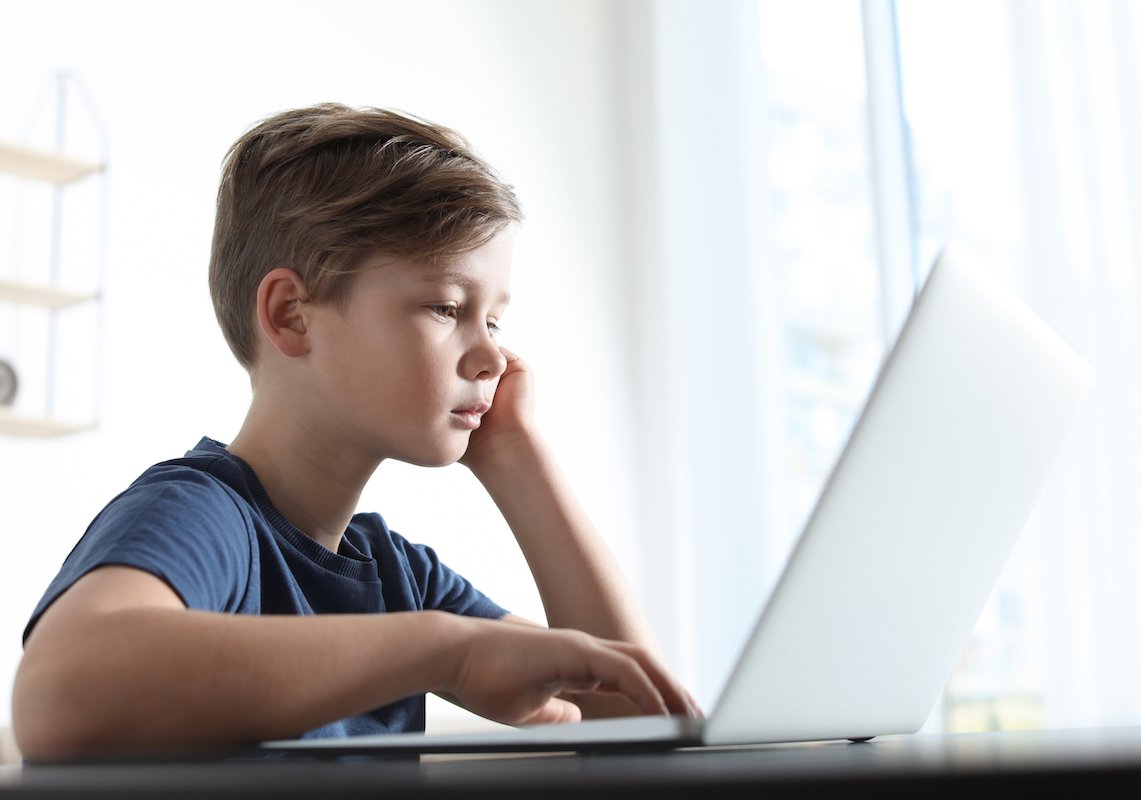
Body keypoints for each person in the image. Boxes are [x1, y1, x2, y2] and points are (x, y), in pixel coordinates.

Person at [12, 103, 699, 762]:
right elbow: (57, 696)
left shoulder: (399, 576)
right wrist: (445, 650)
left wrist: (520, 460)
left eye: (495, 321)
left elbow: (644, 723)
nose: (493, 356)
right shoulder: (201, 514)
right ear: (291, 316)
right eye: (446, 306)